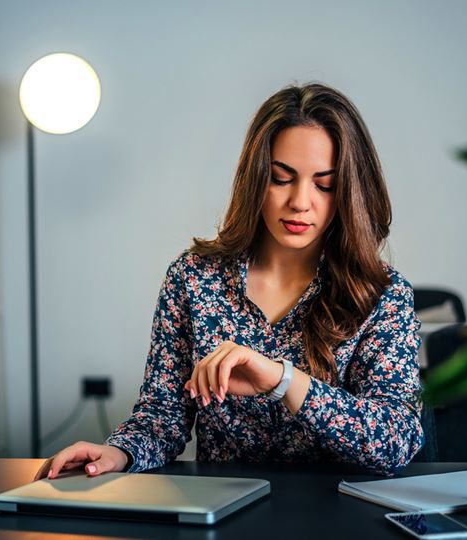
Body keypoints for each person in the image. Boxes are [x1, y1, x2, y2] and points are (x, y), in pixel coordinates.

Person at [34, 83, 423, 481]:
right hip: (225, 511)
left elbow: (396, 440)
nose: (300, 202)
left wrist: (281, 379)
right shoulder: (193, 278)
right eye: (280, 178)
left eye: (324, 185)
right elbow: (162, 418)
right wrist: (118, 452)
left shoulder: (382, 295)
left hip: (340, 515)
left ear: (349, 191)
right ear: (256, 180)